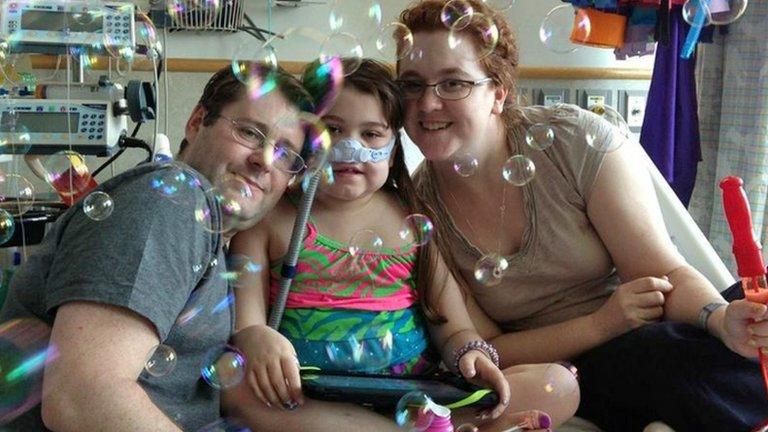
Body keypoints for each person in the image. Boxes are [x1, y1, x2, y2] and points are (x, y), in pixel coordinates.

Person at [394, 1, 768, 431]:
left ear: (497, 93)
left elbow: (663, 274)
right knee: (663, 361)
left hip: (653, 331)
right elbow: (488, 351)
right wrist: (603, 323)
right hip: (565, 370)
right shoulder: (415, 212)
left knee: (735, 321)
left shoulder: (574, 143)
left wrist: (721, 321)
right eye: (411, 85)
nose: (427, 104)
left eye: (453, 84)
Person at [222, 58, 579, 432]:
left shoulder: (411, 217)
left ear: (393, 150)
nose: (351, 148)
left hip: (415, 397)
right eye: (333, 130)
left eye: (372, 135)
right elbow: (246, 326)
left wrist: (469, 354)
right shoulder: (270, 221)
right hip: (312, 396)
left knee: (560, 386)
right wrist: (256, 338)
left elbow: (454, 327)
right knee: (237, 391)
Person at [0, 64, 312, 431]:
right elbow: (82, 398)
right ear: (197, 122)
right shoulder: (172, 200)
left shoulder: (206, 233)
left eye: (285, 156)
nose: (263, 160)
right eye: (249, 132)